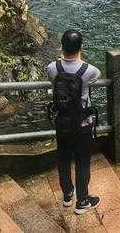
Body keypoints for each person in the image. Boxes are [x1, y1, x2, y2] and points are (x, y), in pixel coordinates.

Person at [46, 29, 101, 214]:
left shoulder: (53, 68)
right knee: (82, 162)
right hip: (82, 126)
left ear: (61, 47)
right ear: (81, 47)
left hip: (62, 123)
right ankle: (83, 201)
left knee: (63, 160)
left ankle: (68, 194)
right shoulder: (89, 71)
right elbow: (97, 74)